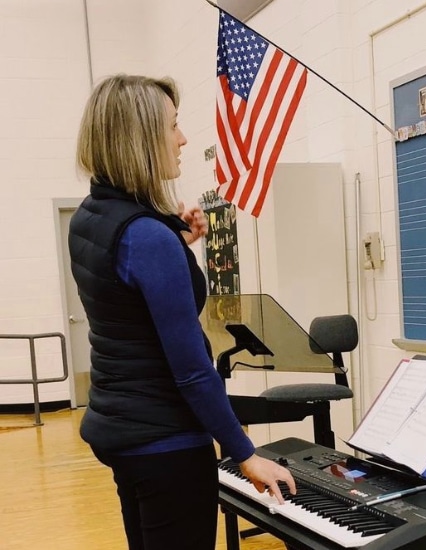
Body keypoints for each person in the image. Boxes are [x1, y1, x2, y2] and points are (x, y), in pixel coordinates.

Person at [69, 74, 296, 550]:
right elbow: (192, 368)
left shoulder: (91, 216)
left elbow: (127, 300)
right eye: (173, 126)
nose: (183, 139)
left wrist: (177, 242)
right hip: (164, 441)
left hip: (117, 426)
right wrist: (244, 453)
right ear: (140, 140)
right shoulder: (148, 239)